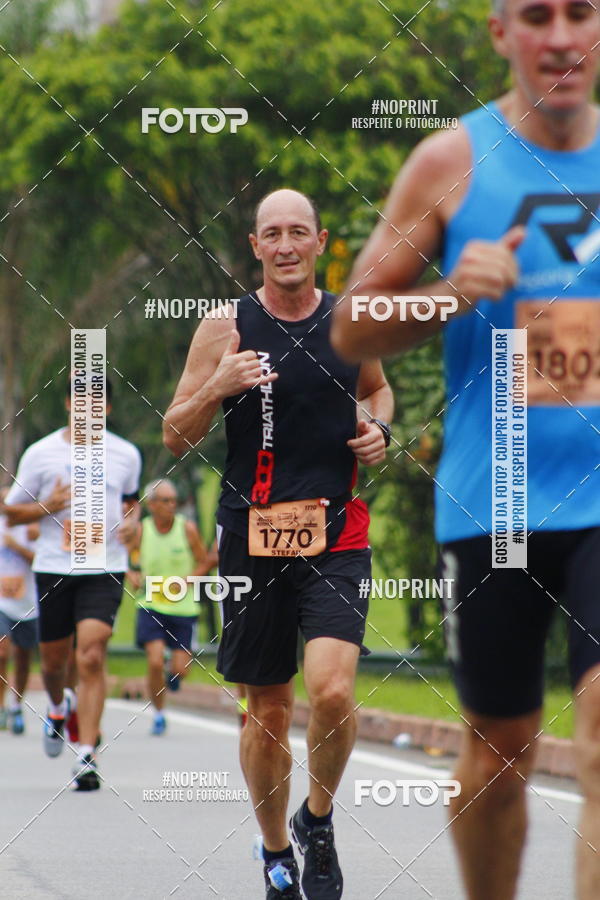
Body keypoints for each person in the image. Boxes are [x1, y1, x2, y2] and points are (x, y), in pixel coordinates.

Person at [331, 2, 600, 898]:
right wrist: (446, 291)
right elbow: (350, 324)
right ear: (500, 34)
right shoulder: (451, 159)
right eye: (537, 16)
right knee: (500, 756)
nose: (561, 36)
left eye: (582, 12)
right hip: (501, 498)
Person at [164, 188, 393, 899]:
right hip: (252, 538)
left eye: (300, 232)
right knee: (266, 710)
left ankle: (316, 822)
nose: (287, 244)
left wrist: (378, 429)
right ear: (256, 247)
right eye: (273, 234)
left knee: (331, 690)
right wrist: (218, 386)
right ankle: (273, 853)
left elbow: (378, 392)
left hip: (335, 532)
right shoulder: (224, 326)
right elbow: (174, 433)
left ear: (320, 242)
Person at [5, 378, 141, 790]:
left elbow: (131, 503)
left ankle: (86, 752)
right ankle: (59, 706)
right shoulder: (40, 454)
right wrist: (49, 506)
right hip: (53, 567)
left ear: (109, 410)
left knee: (92, 654)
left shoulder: (126, 454)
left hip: (105, 567)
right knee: (53, 664)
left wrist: (134, 526)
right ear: (68, 404)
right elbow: (11, 515)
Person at [127, 477, 216, 735]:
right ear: (151, 504)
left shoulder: (186, 529)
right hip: (151, 604)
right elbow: (131, 561)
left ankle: (171, 671)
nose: (171, 506)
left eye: (174, 501)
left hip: (183, 609)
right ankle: (159, 713)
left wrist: (190, 579)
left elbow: (205, 561)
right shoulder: (141, 531)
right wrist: (132, 575)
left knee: (180, 671)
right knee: (154, 661)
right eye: (165, 501)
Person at [0, 487, 39, 735]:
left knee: (24, 657)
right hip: (2, 603)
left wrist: (16, 546)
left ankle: (16, 705)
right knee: (2, 652)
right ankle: (1, 706)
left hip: (28, 604)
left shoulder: (31, 529)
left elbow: (41, 561)